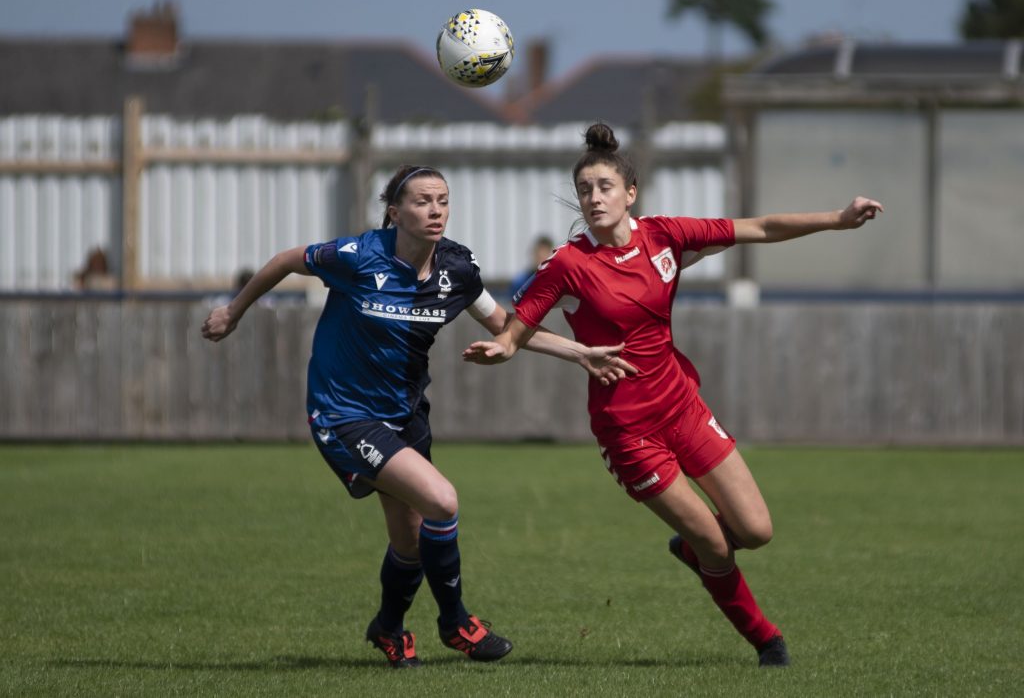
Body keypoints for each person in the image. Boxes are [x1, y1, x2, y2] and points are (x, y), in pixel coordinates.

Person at [463, 123, 884, 668]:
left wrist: (837, 219)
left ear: (629, 192)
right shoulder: (568, 264)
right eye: (585, 189)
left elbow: (756, 227)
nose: (594, 197)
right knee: (715, 543)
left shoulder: (664, 235)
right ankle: (767, 641)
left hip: (683, 406)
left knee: (756, 531)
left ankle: (695, 551)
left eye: (605, 187)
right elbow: (515, 330)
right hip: (628, 432)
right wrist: (504, 348)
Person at [201, 164, 636, 669]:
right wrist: (233, 312)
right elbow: (285, 261)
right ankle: (456, 623)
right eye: (423, 200)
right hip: (343, 412)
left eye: (443, 200)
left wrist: (579, 352)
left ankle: (388, 627)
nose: (435, 210)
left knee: (409, 543)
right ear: (394, 212)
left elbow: (506, 327)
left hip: (405, 416)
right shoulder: (358, 256)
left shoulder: (456, 269)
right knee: (442, 500)